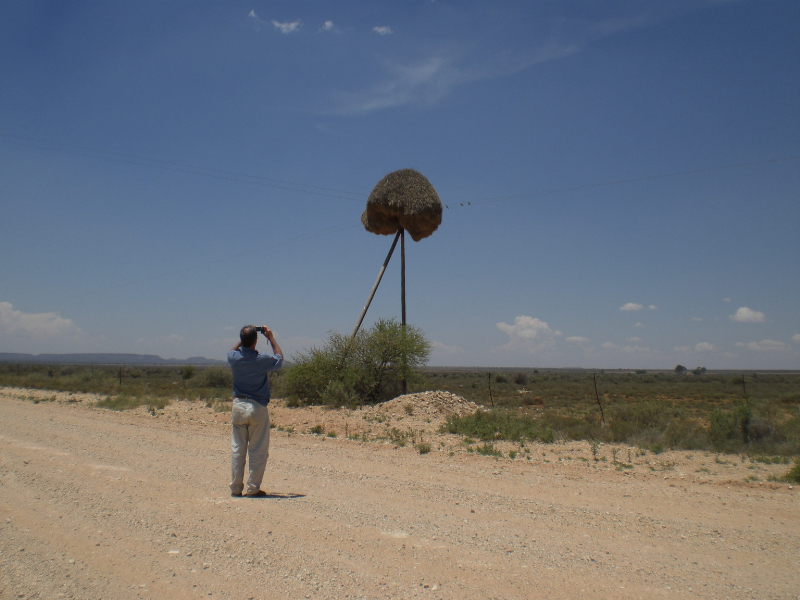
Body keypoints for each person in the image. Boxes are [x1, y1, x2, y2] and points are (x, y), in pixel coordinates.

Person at [227, 324, 283, 498]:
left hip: (238, 405)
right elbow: (279, 359)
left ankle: (236, 488)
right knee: (258, 450)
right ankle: (252, 488)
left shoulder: (234, 358)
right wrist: (271, 338)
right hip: (257, 407)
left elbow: (232, 351)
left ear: (242, 340)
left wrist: (244, 340)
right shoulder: (261, 359)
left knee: (238, 449)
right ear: (256, 341)